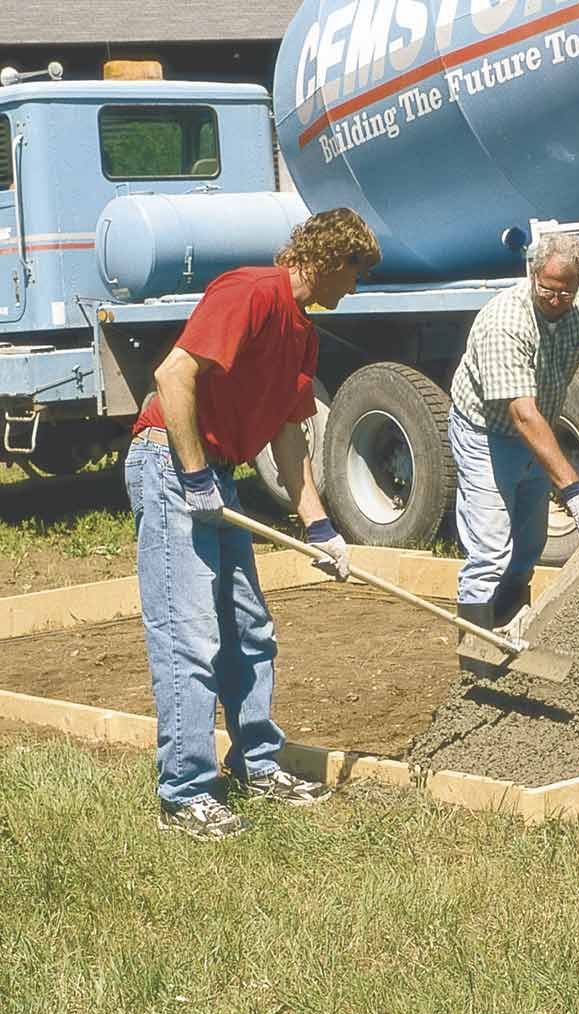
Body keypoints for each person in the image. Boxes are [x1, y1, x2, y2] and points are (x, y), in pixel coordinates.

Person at [124, 207, 381, 840]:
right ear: (327, 259)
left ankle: (258, 765)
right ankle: (185, 794)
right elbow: (173, 375)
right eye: (354, 274)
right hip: (169, 467)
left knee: (248, 629)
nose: (354, 289)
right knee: (190, 636)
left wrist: (319, 526)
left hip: (217, 474)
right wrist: (191, 476)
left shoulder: (303, 332)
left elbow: (289, 436)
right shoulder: (252, 293)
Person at [448, 231, 579, 649]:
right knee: (490, 553)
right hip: (486, 435)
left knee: (527, 549)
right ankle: (474, 663)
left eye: (567, 292)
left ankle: (511, 641)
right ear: (531, 274)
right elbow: (522, 415)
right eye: (548, 289)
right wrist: (575, 490)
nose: (557, 300)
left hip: (536, 433)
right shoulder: (505, 321)